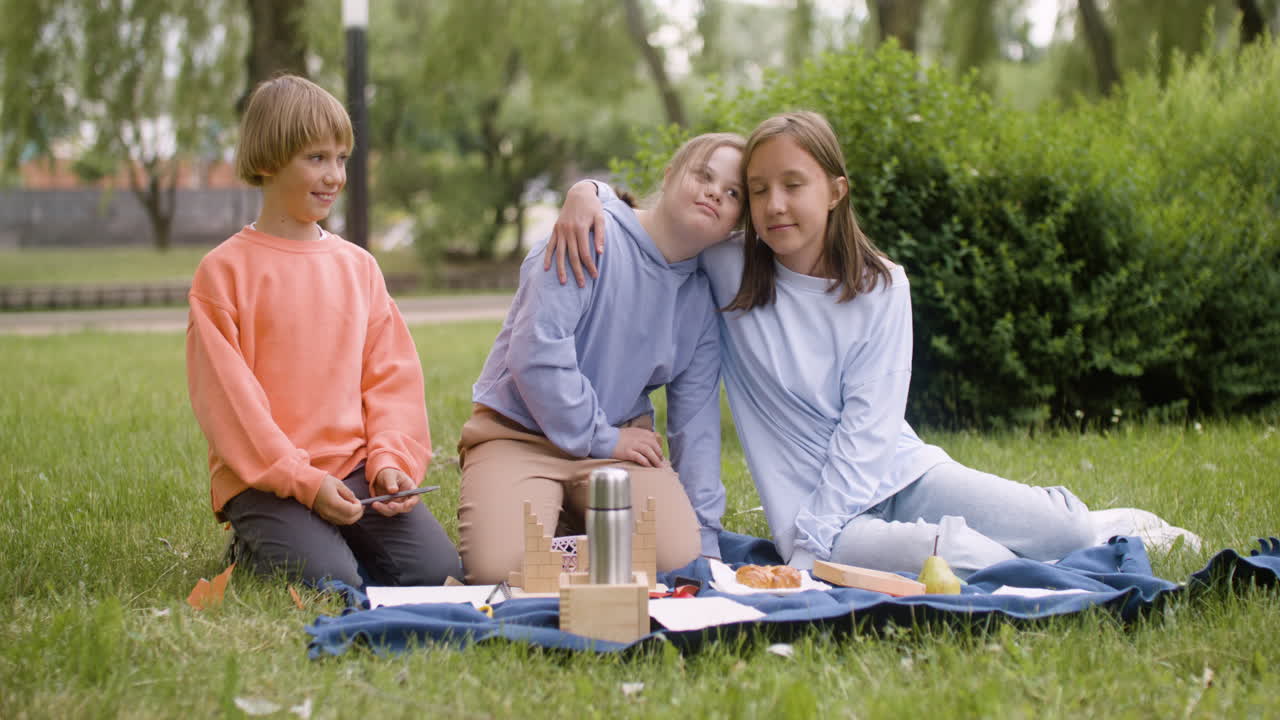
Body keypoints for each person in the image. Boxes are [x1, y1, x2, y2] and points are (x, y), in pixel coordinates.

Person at [548, 112, 1095, 576]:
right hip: (816, 519)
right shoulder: (726, 265)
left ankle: (1112, 526)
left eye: (793, 185)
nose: (774, 204)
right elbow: (650, 224)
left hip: (899, 475)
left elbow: (870, 432)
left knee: (1068, 530)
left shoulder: (883, 286)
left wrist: (813, 546)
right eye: (758, 190)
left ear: (835, 190)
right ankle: (999, 559)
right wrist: (586, 192)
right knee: (948, 553)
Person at [185, 75, 460, 588]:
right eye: (316, 158)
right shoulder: (222, 273)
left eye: (341, 158)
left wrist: (389, 461)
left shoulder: (358, 267)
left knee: (437, 574)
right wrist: (304, 483)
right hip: (266, 478)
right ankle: (252, 542)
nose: (334, 175)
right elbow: (231, 408)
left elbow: (390, 378)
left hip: (357, 473)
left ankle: (330, 535)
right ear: (268, 160)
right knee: (334, 582)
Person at [457, 133, 745, 585]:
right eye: (703, 176)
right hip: (521, 435)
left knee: (676, 558)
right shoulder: (590, 231)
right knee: (500, 570)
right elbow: (536, 351)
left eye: (732, 193)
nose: (715, 192)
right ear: (669, 177)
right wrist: (600, 436)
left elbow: (697, 425)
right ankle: (543, 509)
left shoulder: (700, 301)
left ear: (735, 224)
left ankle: (564, 520)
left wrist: (705, 542)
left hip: (616, 450)